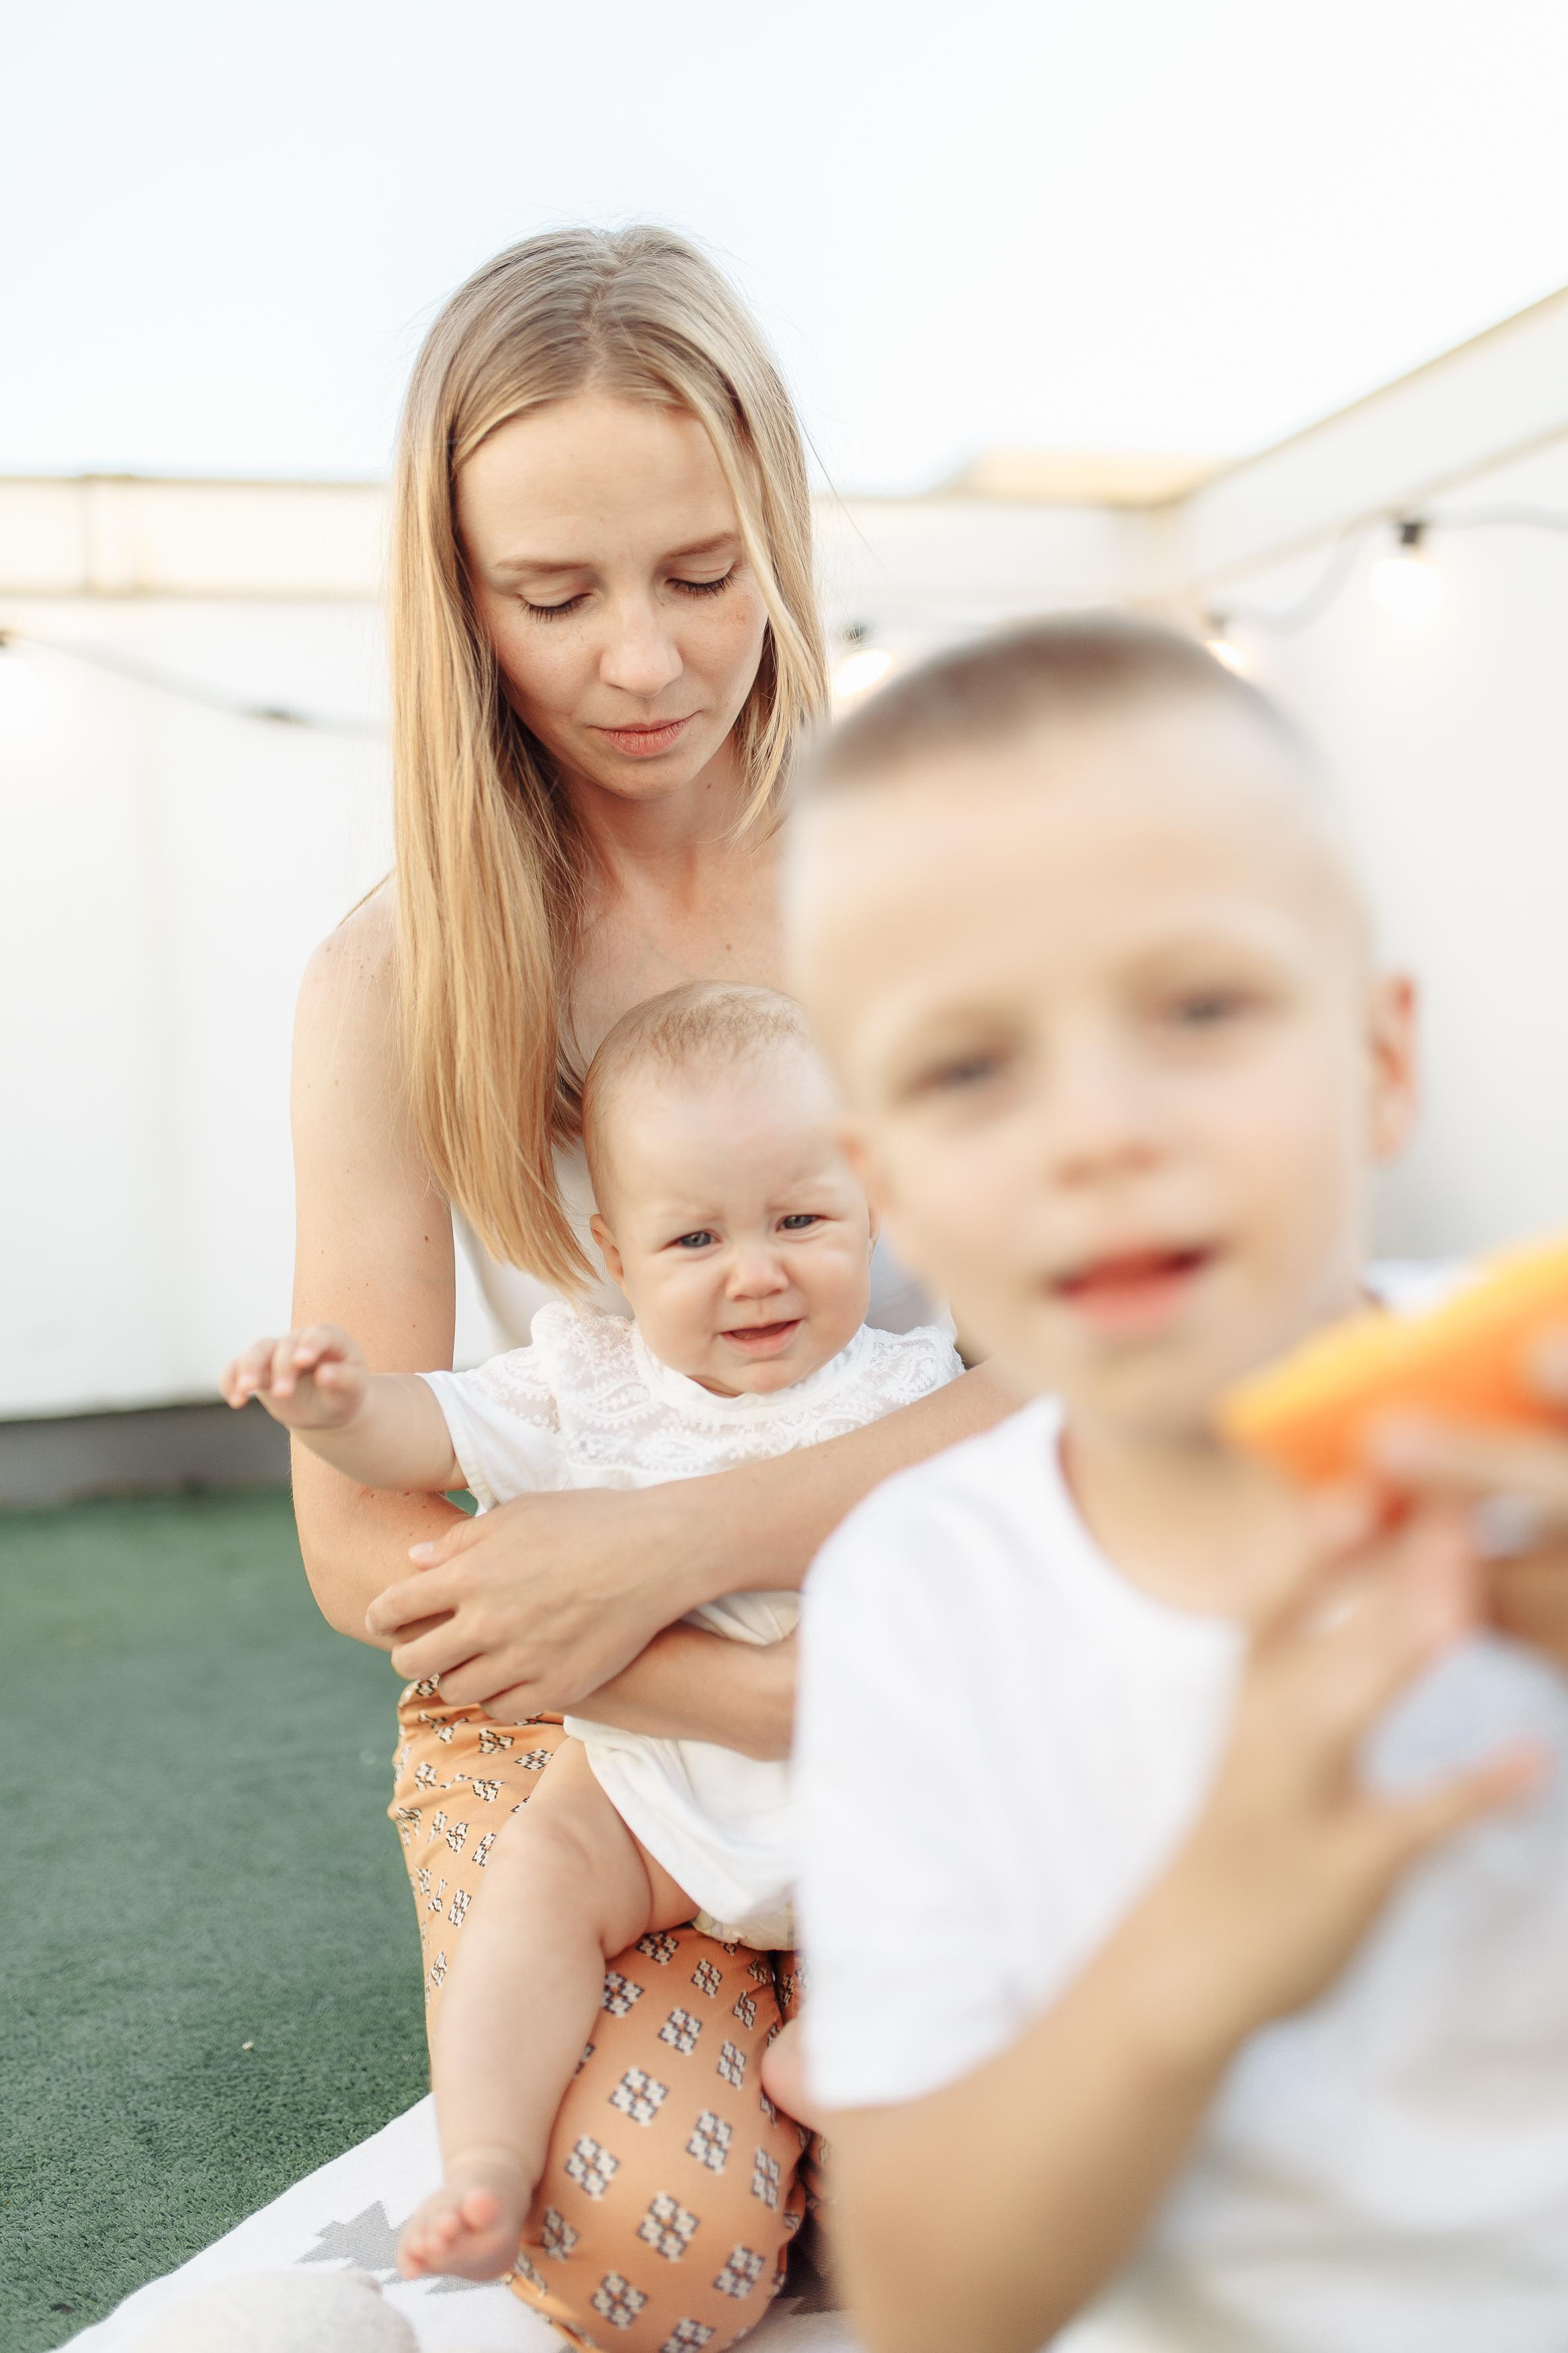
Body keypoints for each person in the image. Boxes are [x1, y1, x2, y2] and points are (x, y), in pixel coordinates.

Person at [288, 223, 1009, 2348]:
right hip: (595, 1729)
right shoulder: (396, 970)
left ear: (777, 527)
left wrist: (686, 1548)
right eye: (551, 595)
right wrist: (692, 1675)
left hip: (918, 1663)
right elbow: (366, 1538)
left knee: (976, 2222)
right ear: (456, 599)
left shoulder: (939, 873)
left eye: (699, 574)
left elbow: (1080, 1368)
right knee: (648, 2253)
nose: (638, 663)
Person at [788, 614, 1568, 2353]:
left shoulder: (1546, 1419)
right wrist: (1208, 1929)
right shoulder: (918, 1599)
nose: (1095, 1129)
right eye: (967, 1066)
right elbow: (923, 2293)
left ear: (1375, 1061)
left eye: (1196, 1007)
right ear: (887, 1190)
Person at [231, 984, 958, 2305]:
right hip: (645, 1786)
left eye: (801, 1220)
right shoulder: (588, 1381)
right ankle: (488, 2159)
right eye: (694, 1238)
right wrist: (335, 1404)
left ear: (871, 1206)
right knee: (537, 1884)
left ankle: (836, 2059)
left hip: (870, 1795)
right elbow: (422, 1434)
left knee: (973, 1891)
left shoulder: (910, 1384)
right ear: (616, 1255)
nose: (755, 1271)